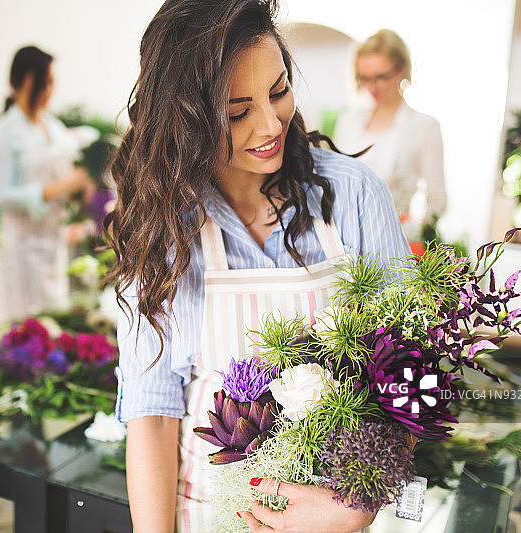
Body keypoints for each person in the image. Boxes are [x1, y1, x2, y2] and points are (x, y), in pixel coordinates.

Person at [103, 1, 410, 532]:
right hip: (206, 517)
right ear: (187, 118)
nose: (271, 125)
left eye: (279, 90)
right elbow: (152, 416)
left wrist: (355, 506)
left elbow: (410, 373)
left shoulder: (354, 196)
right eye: (236, 111)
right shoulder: (166, 226)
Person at [0, 45, 94, 323]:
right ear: (20, 82)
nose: (47, 91)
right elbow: (2, 193)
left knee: (56, 315)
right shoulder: (4, 133)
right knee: (27, 320)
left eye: (51, 84)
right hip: (20, 245)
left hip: (52, 239)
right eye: (41, 83)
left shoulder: (54, 127)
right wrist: (56, 190)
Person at [333, 29, 447, 236]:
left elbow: (437, 200)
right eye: (364, 78)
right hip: (341, 237)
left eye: (381, 77)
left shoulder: (424, 127)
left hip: (392, 241)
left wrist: (413, 237)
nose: (372, 87)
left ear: (402, 69)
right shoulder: (348, 121)